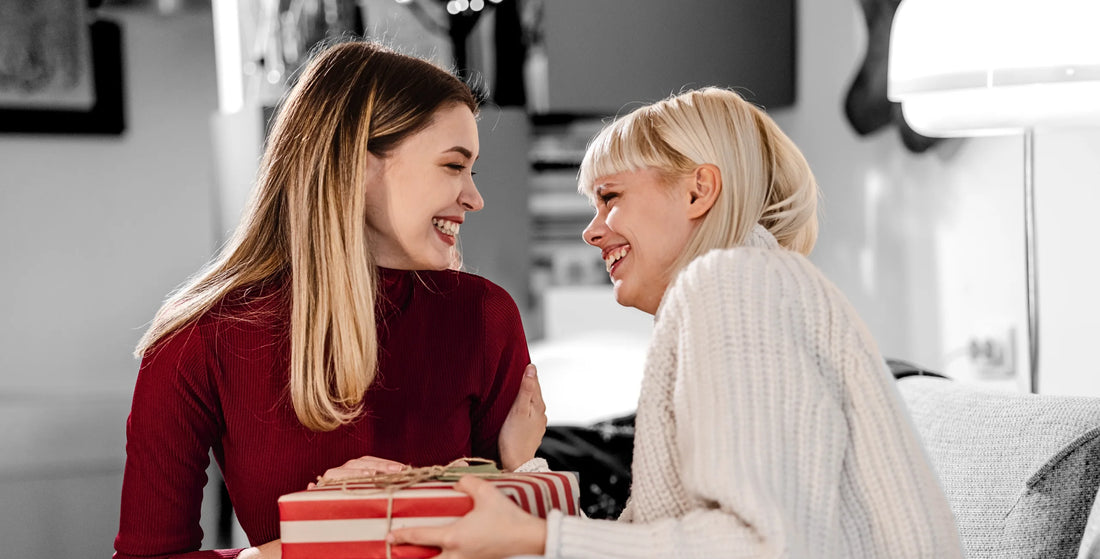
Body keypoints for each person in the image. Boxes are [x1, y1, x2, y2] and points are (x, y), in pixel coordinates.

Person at [389, 87, 964, 558]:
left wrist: (537, 538)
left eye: (610, 196)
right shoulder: (757, 284)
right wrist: (523, 466)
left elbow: (767, 547)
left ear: (698, 191)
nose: (592, 231)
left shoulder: (734, 286)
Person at [114, 41, 546, 559]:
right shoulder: (197, 339)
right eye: (454, 166)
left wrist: (520, 471)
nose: (475, 197)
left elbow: (516, 545)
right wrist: (318, 538)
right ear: (358, 167)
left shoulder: (482, 315)